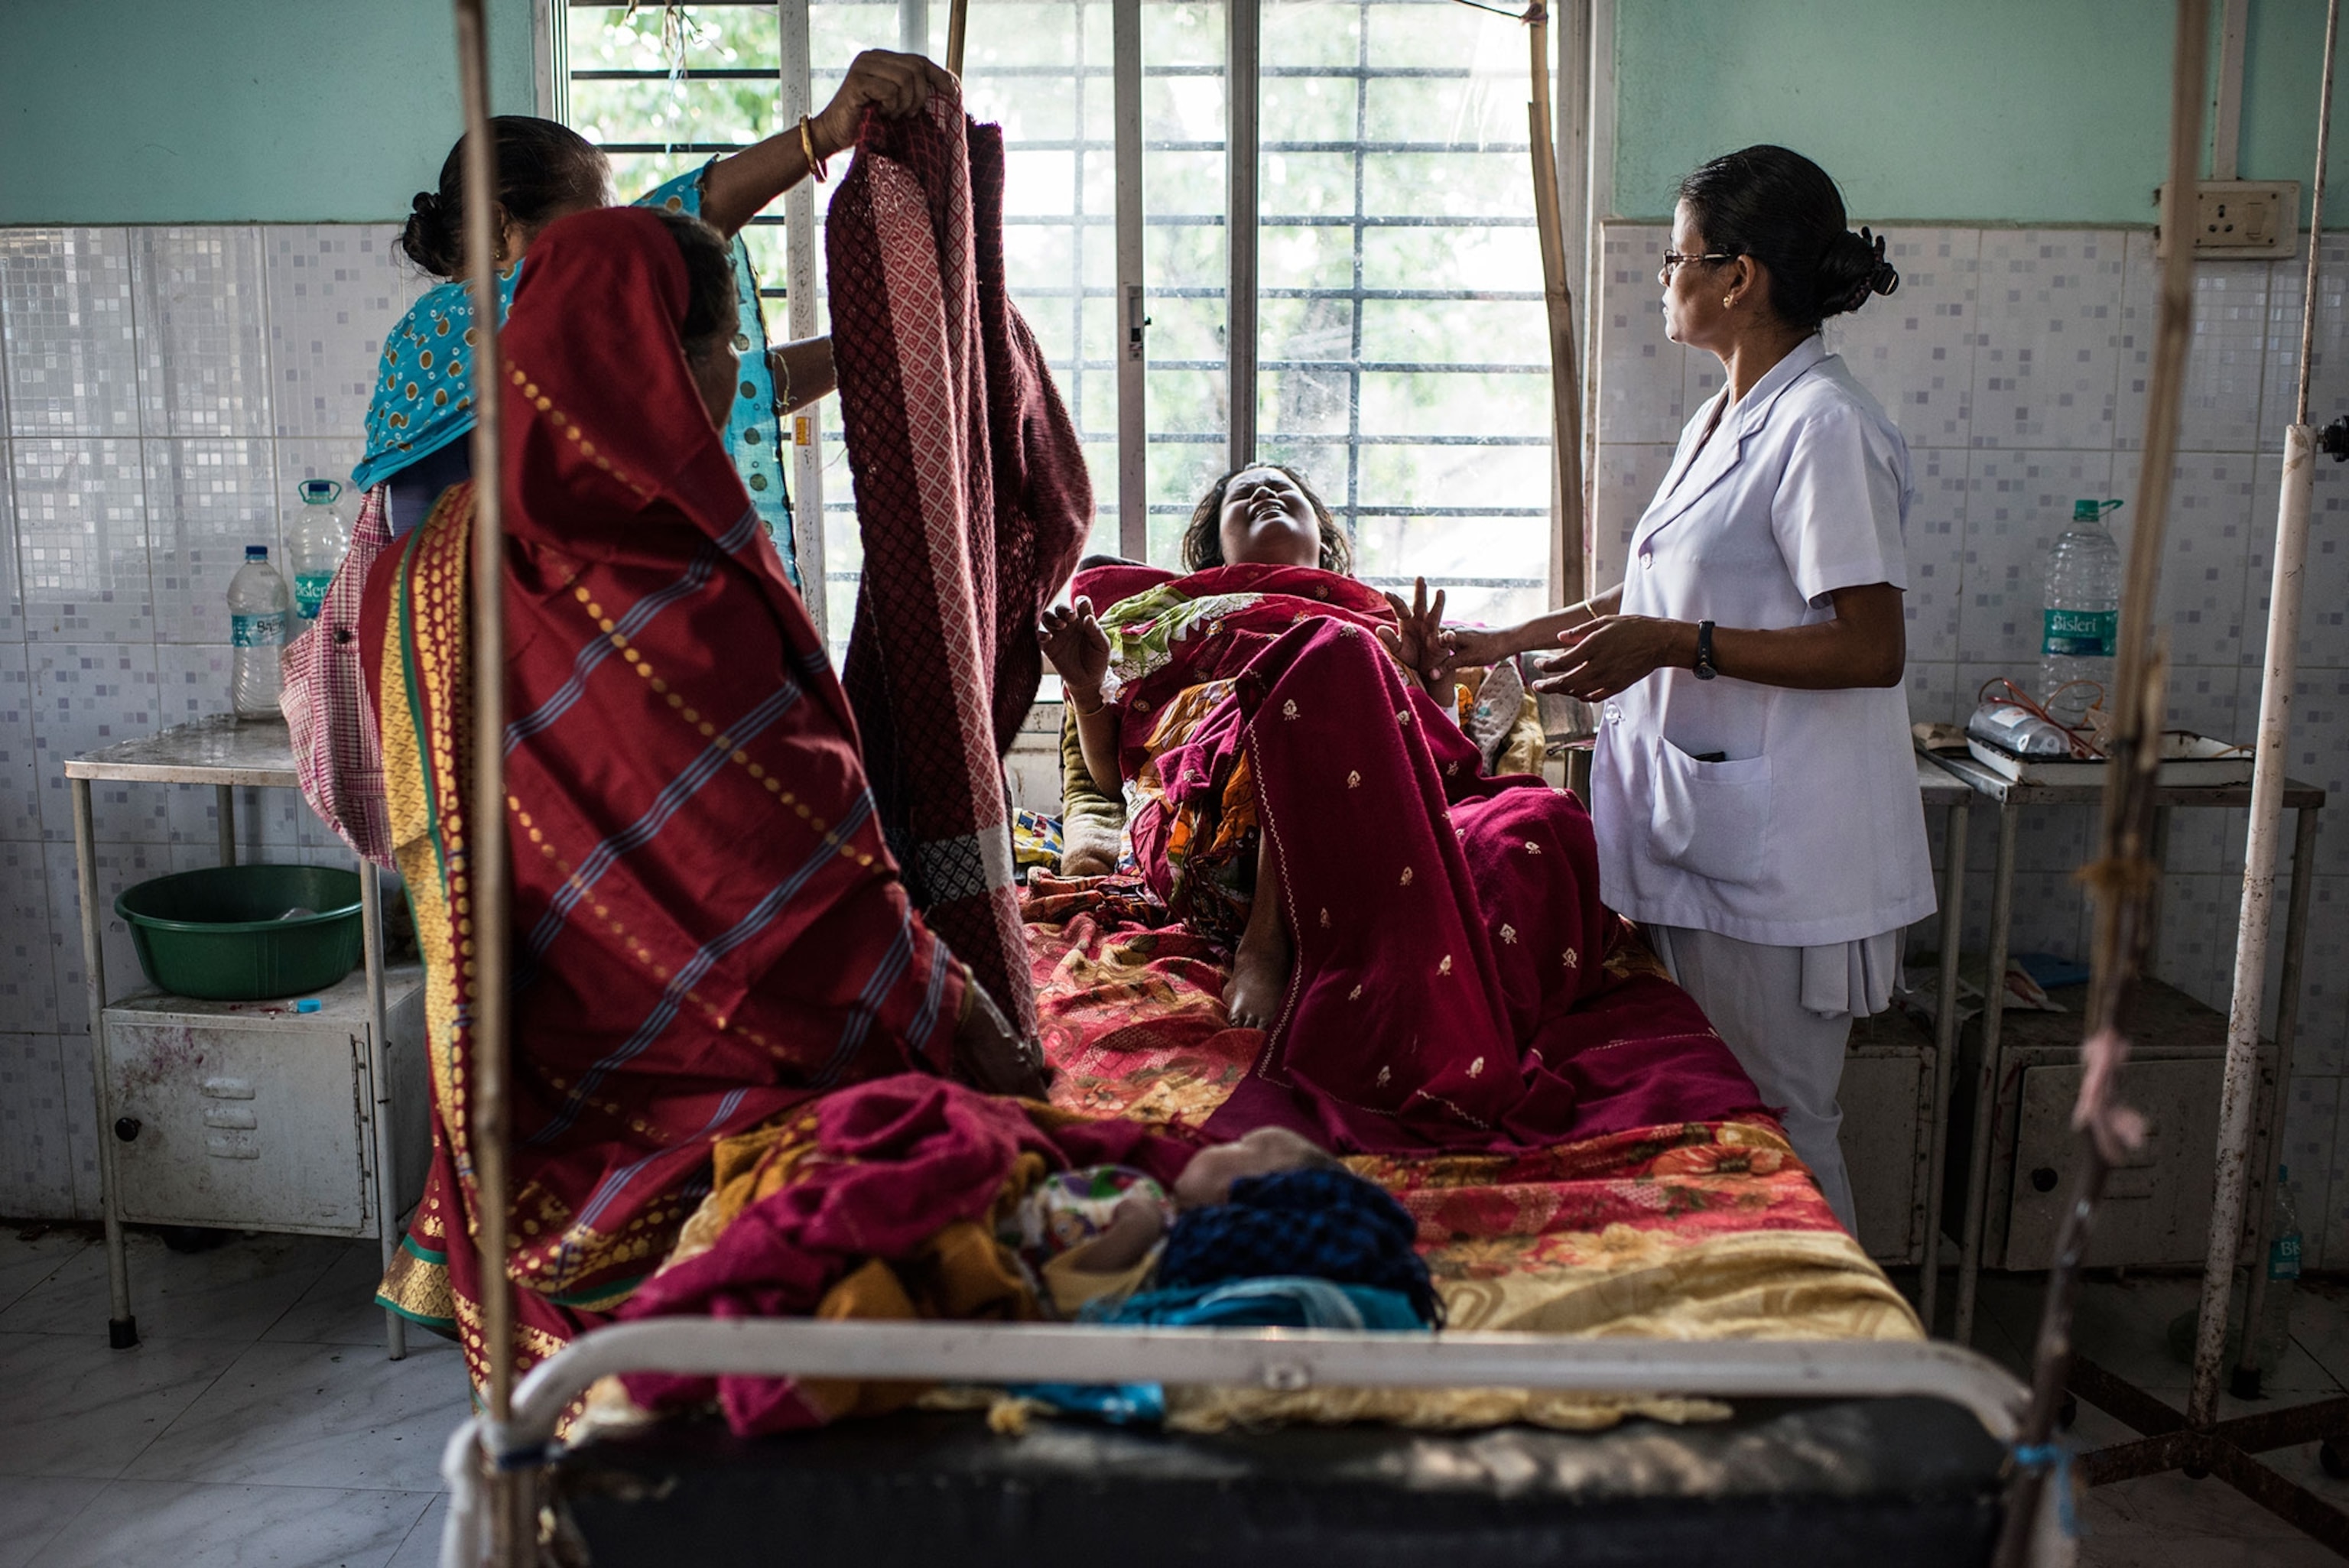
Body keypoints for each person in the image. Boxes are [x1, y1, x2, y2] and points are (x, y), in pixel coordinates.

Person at [365, 205, 1044, 1393]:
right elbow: (797, 883)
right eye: (728, 350)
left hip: (546, 1080)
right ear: (671, 360)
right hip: (749, 1072)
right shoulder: (671, 582)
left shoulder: (425, 570)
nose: (736, 383)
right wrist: (959, 1002)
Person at [1441, 145, 1933, 1231]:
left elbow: (1869, 645)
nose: (1662, 276)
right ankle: (1755, 1357)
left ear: (1737, 275)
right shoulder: (1723, 414)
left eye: (1674, 256)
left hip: (1785, 861)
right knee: (1721, 1118)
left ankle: (1829, 1376)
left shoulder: (1825, 429)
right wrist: (1509, 638)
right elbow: (1659, 584)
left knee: (1781, 1128)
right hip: (1713, 829)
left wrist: (1677, 646)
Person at [287, 54, 947, 862]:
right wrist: (821, 134)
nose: (616, 254)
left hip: (545, 712)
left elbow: (724, 387)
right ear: (501, 228)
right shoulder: (455, 324)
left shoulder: (546, 352)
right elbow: (669, 232)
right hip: (513, 707)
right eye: (594, 227)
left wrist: (869, 351)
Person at [1035, 464, 1765, 1156]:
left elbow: (1440, 747)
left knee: (1539, 824)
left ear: (1323, 532)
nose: (1264, 495)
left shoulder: (1372, 611)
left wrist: (1429, 682)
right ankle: (1269, 937)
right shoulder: (1173, 617)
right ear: (1211, 546)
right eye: (1243, 496)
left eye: (1283, 489)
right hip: (1228, 807)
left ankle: (1443, 1006)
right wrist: (1088, 688)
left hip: (1385, 811)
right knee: (1328, 653)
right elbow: (1117, 769)